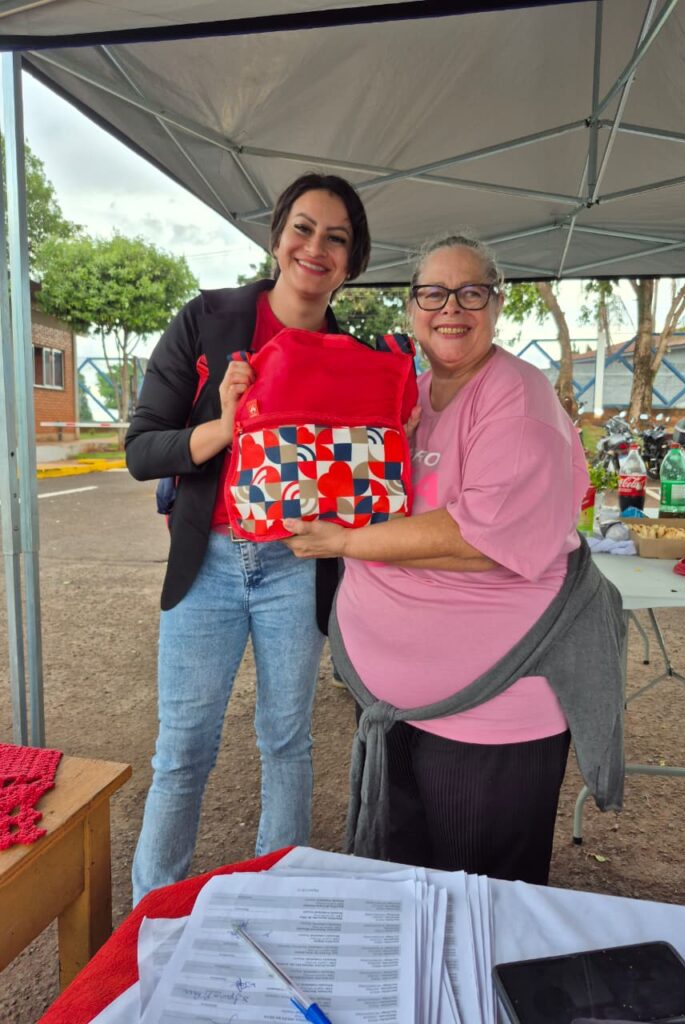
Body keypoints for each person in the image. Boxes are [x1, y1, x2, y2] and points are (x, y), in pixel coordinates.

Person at [284, 234, 625, 884]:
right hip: (391, 704)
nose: (451, 308)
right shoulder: (407, 398)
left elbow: (484, 539)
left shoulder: (517, 396)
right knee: (407, 889)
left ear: (497, 304)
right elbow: (349, 488)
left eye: (470, 292)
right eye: (433, 293)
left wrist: (343, 542)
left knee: (479, 897)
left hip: (488, 716)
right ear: (412, 307)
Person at [125, 173, 371, 904]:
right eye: (303, 228)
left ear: (352, 262)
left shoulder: (353, 358)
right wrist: (225, 428)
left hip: (298, 566)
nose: (315, 247)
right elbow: (142, 448)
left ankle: (279, 903)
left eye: (336, 238)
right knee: (182, 751)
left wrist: (388, 437)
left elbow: (360, 481)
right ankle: (151, 915)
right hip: (207, 562)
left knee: (287, 742)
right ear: (276, 237)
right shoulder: (207, 318)